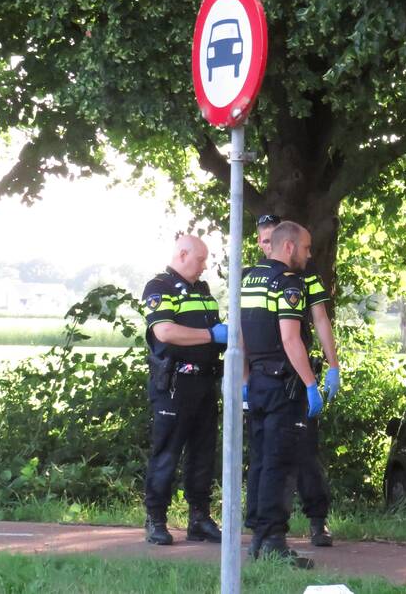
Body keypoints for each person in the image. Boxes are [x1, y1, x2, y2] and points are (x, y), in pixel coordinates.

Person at [242, 220, 336, 561]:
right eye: (306, 248)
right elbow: (290, 338)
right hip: (284, 384)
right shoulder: (288, 282)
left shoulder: (250, 279)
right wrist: (311, 384)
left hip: (258, 381)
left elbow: (240, 333)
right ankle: (274, 542)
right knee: (279, 463)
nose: (309, 255)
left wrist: (244, 380)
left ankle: (258, 537)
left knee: (261, 460)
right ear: (289, 247)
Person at [141, 235, 228, 545]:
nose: (204, 266)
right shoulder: (159, 287)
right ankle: (156, 519)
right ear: (182, 254)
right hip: (175, 384)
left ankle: (199, 518)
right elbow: (165, 331)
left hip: (204, 383)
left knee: (203, 454)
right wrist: (211, 335)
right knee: (167, 452)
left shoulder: (202, 291)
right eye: (200, 260)